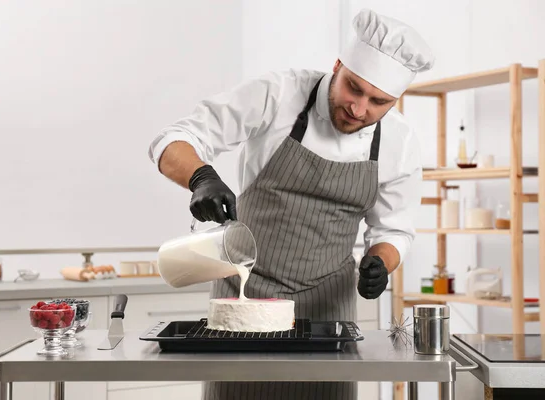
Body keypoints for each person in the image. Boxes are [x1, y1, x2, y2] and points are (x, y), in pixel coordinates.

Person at [148, 8, 434, 400]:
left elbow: (393, 229)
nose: (359, 108)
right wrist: (201, 178)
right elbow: (175, 138)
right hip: (243, 296)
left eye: (378, 101)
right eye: (353, 87)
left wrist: (380, 263)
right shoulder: (278, 95)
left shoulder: (399, 142)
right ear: (337, 66)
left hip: (328, 307)